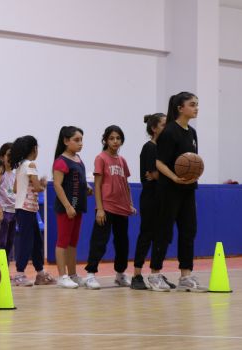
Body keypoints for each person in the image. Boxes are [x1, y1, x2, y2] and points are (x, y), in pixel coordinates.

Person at [147, 92, 207, 292]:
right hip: (169, 190)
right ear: (180, 108)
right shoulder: (169, 132)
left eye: (197, 104)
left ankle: (185, 276)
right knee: (164, 232)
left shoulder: (192, 132)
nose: (196, 107)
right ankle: (155, 274)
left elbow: (193, 161)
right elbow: (159, 162)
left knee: (189, 231)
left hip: (188, 189)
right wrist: (173, 177)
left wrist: (194, 173)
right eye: (192, 104)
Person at [83, 125, 135, 289]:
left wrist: (130, 203)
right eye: (111, 138)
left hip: (122, 208)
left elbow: (125, 184)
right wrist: (99, 208)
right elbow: (97, 185)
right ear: (105, 140)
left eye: (118, 138)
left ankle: (120, 274)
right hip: (106, 207)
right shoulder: (101, 158)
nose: (115, 141)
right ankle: (90, 274)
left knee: (122, 243)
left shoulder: (122, 161)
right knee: (99, 242)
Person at [131, 113, 175, 290]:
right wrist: (167, 176)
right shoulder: (149, 148)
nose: (167, 128)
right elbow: (154, 174)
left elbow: (159, 175)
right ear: (154, 128)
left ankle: (156, 273)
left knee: (162, 237)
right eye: (164, 125)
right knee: (146, 235)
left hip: (165, 198)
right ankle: (136, 275)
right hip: (151, 199)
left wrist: (163, 175)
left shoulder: (167, 149)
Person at [9, 135, 54, 287]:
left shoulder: (20, 165)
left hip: (25, 208)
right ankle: (20, 274)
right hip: (26, 209)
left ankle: (40, 273)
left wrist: (36, 184)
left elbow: (15, 188)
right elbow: (36, 187)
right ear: (34, 149)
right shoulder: (31, 165)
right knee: (27, 241)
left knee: (36, 241)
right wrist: (43, 184)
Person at [52, 126, 90, 289]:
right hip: (67, 208)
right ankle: (62, 276)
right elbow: (57, 185)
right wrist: (67, 206)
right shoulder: (61, 161)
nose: (80, 143)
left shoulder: (78, 159)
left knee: (73, 243)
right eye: (76, 140)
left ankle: (73, 274)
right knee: (63, 241)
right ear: (66, 141)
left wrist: (86, 187)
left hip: (78, 206)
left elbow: (77, 180)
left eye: (81, 140)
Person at [0, 142, 15, 263]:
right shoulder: (0, 174)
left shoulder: (16, 173)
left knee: (10, 243)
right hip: (3, 211)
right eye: (9, 155)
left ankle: (4, 272)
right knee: (0, 242)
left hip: (14, 211)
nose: (11, 158)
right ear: (1, 157)